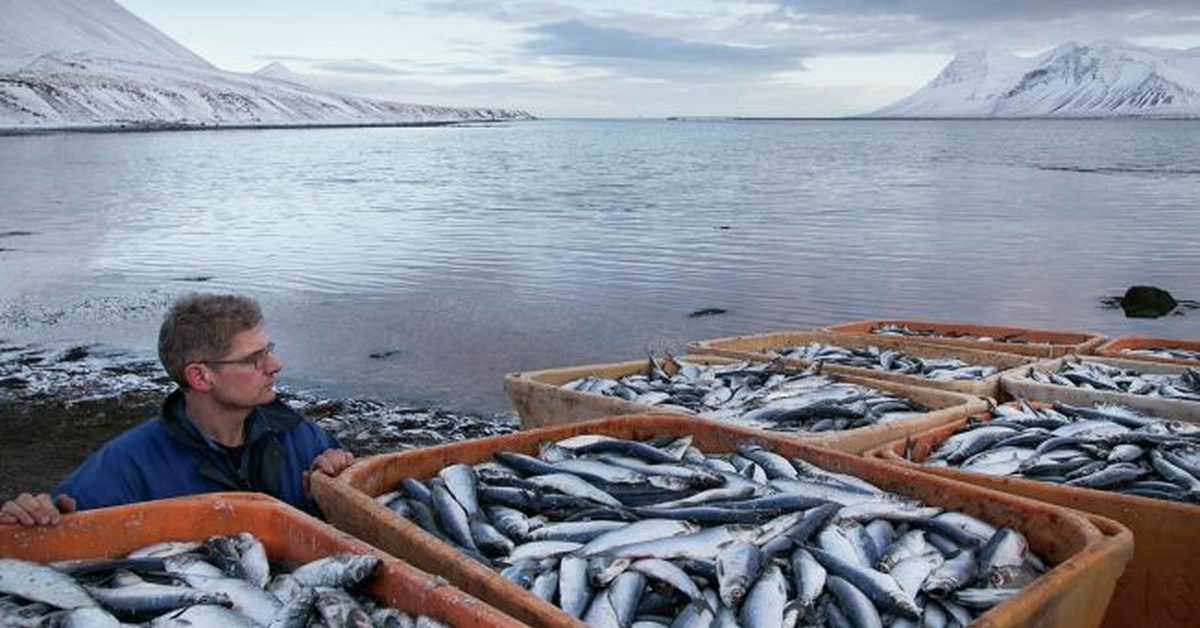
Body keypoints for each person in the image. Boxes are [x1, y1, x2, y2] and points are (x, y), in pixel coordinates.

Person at [0, 293, 355, 526]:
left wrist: (336, 483)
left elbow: (352, 512)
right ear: (200, 376)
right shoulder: (129, 464)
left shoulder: (298, 435)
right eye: (255, 359)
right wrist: (32, 514)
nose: (275, 365)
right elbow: (57, 522)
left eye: (270, 349)